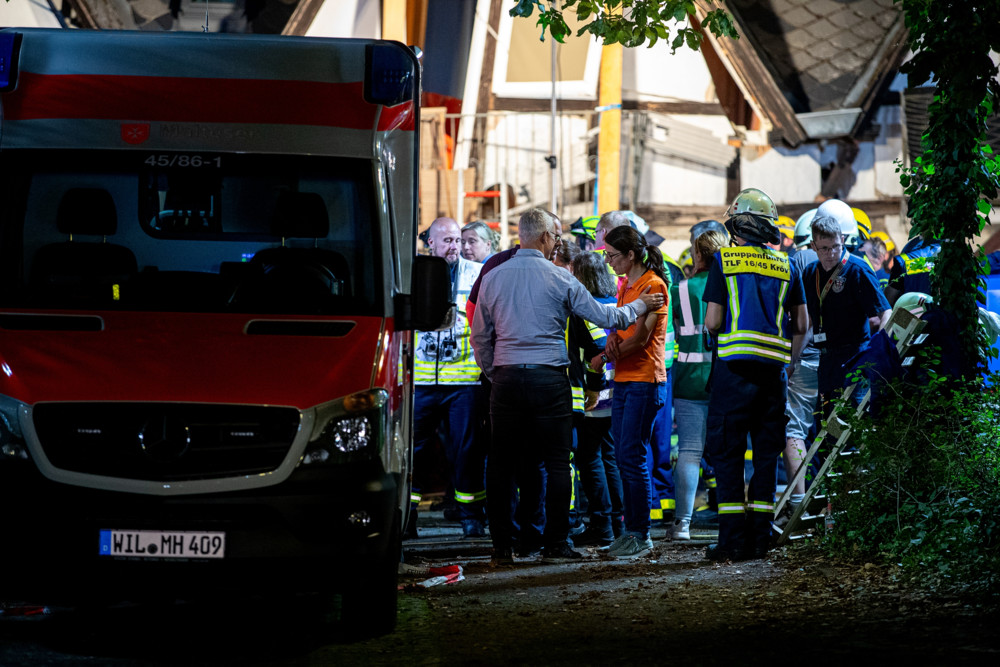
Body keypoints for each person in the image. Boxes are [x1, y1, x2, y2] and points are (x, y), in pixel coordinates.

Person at [471, 209, 664, 564]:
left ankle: (501, 549)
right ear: (544, 237)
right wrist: (641, 304)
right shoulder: (560, 278)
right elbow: (607, 317)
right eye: (555, 237)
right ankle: (556, 544)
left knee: (501, 463)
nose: (558, 242)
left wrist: (494, 372)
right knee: (558, 462)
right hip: (549, 380)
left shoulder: (493, 278)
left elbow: (480, 336)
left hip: (507, 379)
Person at [703, 188, 808, 561]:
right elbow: (803, 324)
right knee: (765, 458)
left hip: (732, 373)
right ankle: (760, 540)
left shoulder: (723, 260)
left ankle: (731, 542)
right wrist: (790, 362)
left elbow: (713, 320)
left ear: (738, 223)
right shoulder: (787, 264)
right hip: (772, 378)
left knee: (728, 457)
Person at [589, 225, 669, 559]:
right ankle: (631, 532)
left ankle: (640, 533)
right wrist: (611, 344)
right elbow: (619, 329)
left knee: (632, 457)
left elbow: (638, 341)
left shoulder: (653, 286)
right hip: (624, 381)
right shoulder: (626, 286)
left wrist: (605, 356)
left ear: (631, 255)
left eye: (612, 255)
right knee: (624, 456)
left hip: (644, 381)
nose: (608, 262)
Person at [411, 217, 487, 538]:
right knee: (414, 452)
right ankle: (408, 517)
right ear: (431, 243)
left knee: (467, 451)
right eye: (448, 241)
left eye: (458, 240)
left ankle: (471, 517)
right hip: (422, 381)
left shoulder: (478, 274)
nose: (456, 246)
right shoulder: (413, 273)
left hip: (465, 382)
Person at [670, 228, 726, 541]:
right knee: (725, 452)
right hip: (722, 378)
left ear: (698, 255)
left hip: (688, 380)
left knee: (689, 452)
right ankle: (730, 521)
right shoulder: (729, 286)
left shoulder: (681, 289)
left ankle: (682, 525)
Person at [802, 215, 891, 405]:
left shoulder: (857, 270)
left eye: (835, 246)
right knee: (828, 421)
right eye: (824, 248)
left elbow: (885, 312)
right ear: (813, 246)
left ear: (842, 239)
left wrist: (878, 351)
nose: (831, 253)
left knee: (851, 421)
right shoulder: (810, 274)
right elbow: (808, 321)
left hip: (854, 358)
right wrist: (793, 360)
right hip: (825, 359)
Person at [570, 251, 625, 546]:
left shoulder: (586, 309)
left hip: (595, 395)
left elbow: (597, 356)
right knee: (609, 457)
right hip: (616, 393)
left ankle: (602, 525)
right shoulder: (615, 304)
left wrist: (592, 389)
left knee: (589, 459)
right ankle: (616, 522)